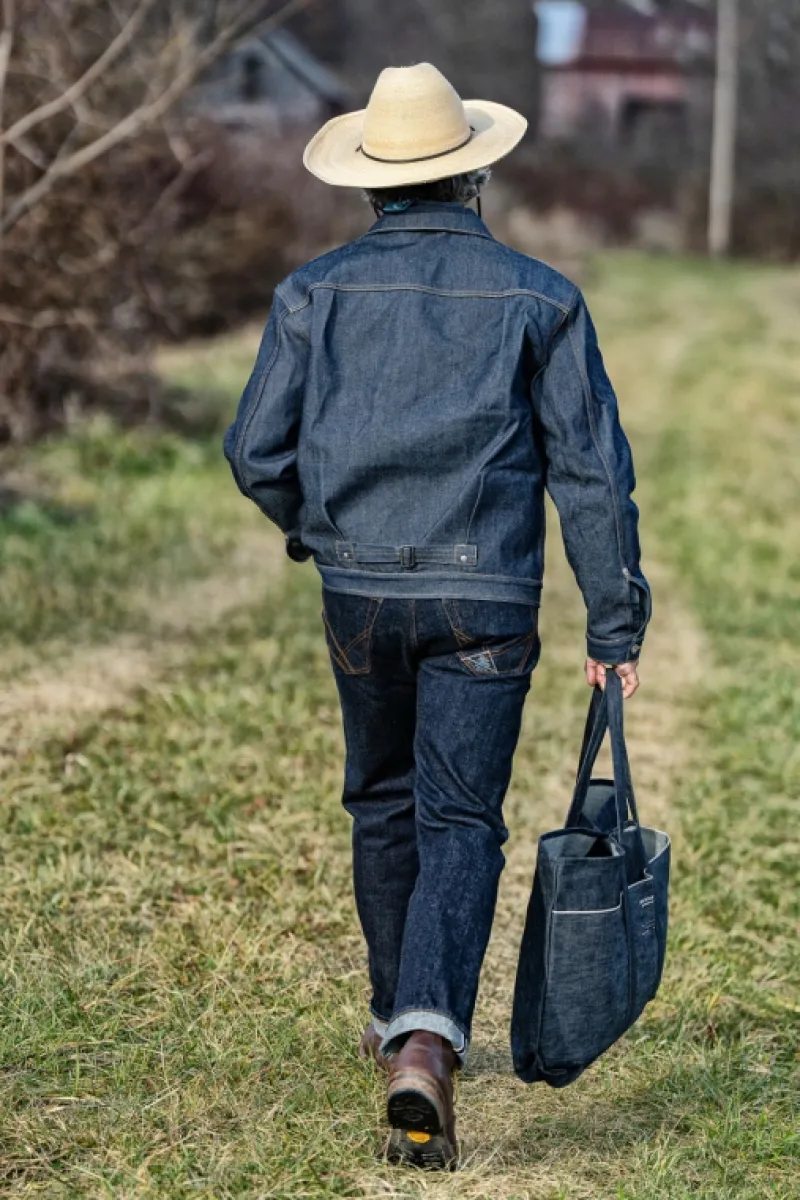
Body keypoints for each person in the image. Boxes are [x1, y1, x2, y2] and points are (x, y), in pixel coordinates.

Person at [224, 62, 650, 1171]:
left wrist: (316, 528)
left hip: (357, 588)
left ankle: (393, 1019)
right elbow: (591, 478)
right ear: (473, 180)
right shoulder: (542, 298)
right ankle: (425, 1033)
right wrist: (614, 628)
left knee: (380, 800)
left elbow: (253, 450)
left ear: (371, 186)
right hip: (487, 596)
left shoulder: (310, 293)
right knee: (460, 817)